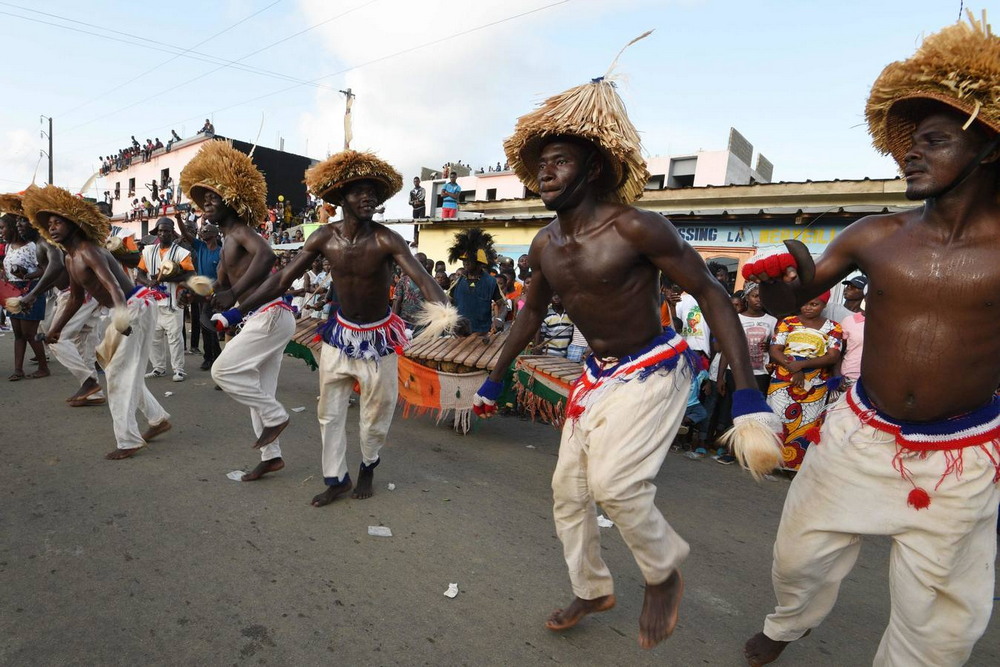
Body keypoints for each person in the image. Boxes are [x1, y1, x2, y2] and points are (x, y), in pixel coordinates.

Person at [472, 61, 777, 650]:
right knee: (568, 491)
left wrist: (746, 393)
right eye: (541, 166)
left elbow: (712, 293)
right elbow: (531, 313)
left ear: (593, 168)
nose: (546, 174)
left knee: (615, 485)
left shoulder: (637, 227)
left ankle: (662, 573)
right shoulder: (544, 243)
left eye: (559, 162)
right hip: (597, 378)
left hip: (654, 370)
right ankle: (592, 588)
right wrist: (493, 376)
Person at [743, 14, 1000, 666]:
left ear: (989, 148)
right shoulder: (873, 234)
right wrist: (778, 294)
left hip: (961, 460)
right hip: (858, 435)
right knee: (797, 555)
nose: (910, 152)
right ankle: (789, 619)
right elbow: (798, 295)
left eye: (934, 140)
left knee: (938, 626)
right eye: (910, 141)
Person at [228, 149, 455, 506]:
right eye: (358, 191)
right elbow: (284, 278)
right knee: (328, 413)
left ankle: (368, 464)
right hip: (338, 337)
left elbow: (421, 277)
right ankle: (336, 479)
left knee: (374, 418)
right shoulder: (322, 237)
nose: (368, 197)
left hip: (378, 341)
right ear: (340, 198)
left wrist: (445, 310)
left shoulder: (386, 239)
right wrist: (236, 309)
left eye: (372, 192)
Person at [25, 185, 171, 459]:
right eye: (50, 224)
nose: (53, 227)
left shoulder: (89, 251)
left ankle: (128, 441)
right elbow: (76, 299)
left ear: (73, 224)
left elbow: (114, 286)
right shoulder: (70, 259)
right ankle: (157, 418)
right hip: (128, 308)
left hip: (133, 307)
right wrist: (55, 330)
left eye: (59, 222)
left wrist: (120, 316)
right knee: (113, 364)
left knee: (117, 373)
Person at [180, 140, 290, 483]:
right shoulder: (227, 240)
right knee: (258, 387)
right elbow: (221, 289)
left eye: (214, 198)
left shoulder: (241, 231)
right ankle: (271, 457)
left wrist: (235, 296)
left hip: (271, 314)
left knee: (224, 372)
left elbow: (268, 257)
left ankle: (277, 416)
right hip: (265, 317)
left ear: (232, 200)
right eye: (205, 200)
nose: (207, 205)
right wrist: (191, 290)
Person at [17, 216, 108, 405]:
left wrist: (34, 293)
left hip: (76, 296)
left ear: (34, 224)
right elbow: (52, 268)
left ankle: (89, 382)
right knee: (83, 345)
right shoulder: (43, 244)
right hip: (85, 295)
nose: (19, 226)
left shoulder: (45, 242)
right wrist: (32, 276)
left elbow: (56, 264)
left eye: (23, 221)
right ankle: (94, 394)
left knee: (55, 339)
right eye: (16, 222)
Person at [764, 293, 842, 471]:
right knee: (777, 419)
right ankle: (769, 462)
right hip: (783, 382)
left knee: (806, 423)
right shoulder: (788, 322)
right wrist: (793, 367)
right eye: (805, 304)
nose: (808, 308)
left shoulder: (833, 327)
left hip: (815, 384)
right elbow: (775, 349)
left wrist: (802, 365)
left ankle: (795, 466)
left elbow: (833, 356)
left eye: (814, 304)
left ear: (823, 305)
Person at [137, 218, 194, 382]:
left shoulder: (181, 253)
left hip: (173, 302)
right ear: (156, 233)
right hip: (153, 302)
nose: (163, 234)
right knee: (154, 338)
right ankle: (159, 368)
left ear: (172, 232)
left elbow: (190, 274)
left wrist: (169, 277)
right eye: (160, 231)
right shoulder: (148, 251)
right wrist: (149, 282)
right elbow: (140, 274)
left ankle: (179, 370)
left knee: (175, 337)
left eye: (167, 231)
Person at [0, 197, 49, 380]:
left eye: (3, 227)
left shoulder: (31, 247)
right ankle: (18, 370)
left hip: (31, 291)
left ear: (12, 228)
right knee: (19, 333)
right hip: (13, 291)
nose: (1, 231)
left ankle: (44, 367)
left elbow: (45, 269)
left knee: (29, 333)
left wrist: (26, 275)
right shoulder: (8, 248)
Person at [176, 217, 222, 370]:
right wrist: (178, 218)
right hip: (200, 293)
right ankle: (212, 357)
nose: (203, 232)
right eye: (202, 231)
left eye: (207, 231)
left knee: (209, 324)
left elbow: (223, 276)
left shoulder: (221, 253)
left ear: (215, 234)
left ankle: (213, 358)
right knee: (206, 325)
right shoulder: (200, 247)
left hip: (215, 294)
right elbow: (184, 233)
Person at [447, 228, 506, 334]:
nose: (465, 263)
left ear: (480, 263)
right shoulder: (457, 281)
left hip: (482, 334)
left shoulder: (490, 282)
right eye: (464, 260)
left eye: (469, 260)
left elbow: (504, 305)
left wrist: (499, 319)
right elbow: (447, 302)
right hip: (458, 334)